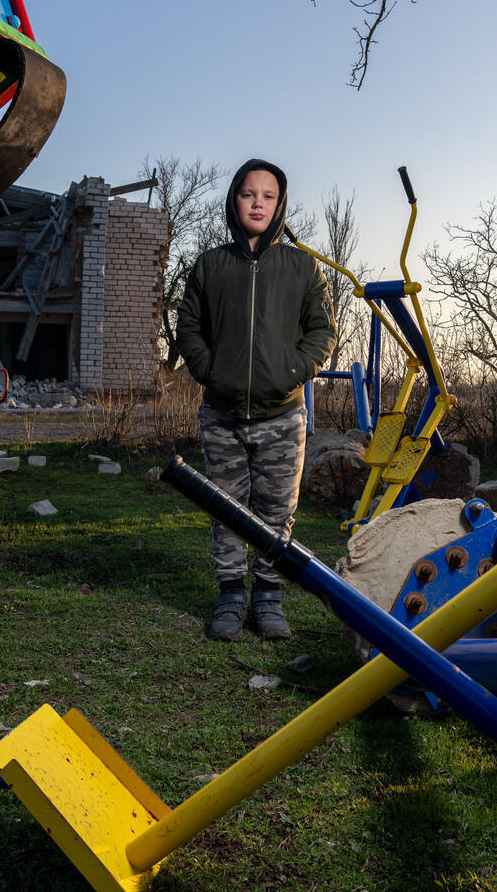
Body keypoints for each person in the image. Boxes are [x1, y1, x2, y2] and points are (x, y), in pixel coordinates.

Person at [175, 159, 336, 640]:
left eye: (268, 196)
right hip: (222, 415)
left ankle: (268, 597)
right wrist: (209, 371)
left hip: (283, 415)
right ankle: (229, 596)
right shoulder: (210, 266)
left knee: (276, 511)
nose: (258, 203)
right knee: (226, 507)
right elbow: (188, 327)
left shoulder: (301, 266)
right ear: (234, 201)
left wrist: (294, 371)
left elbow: (322, 331)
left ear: (280, 205)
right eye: (249, 194)